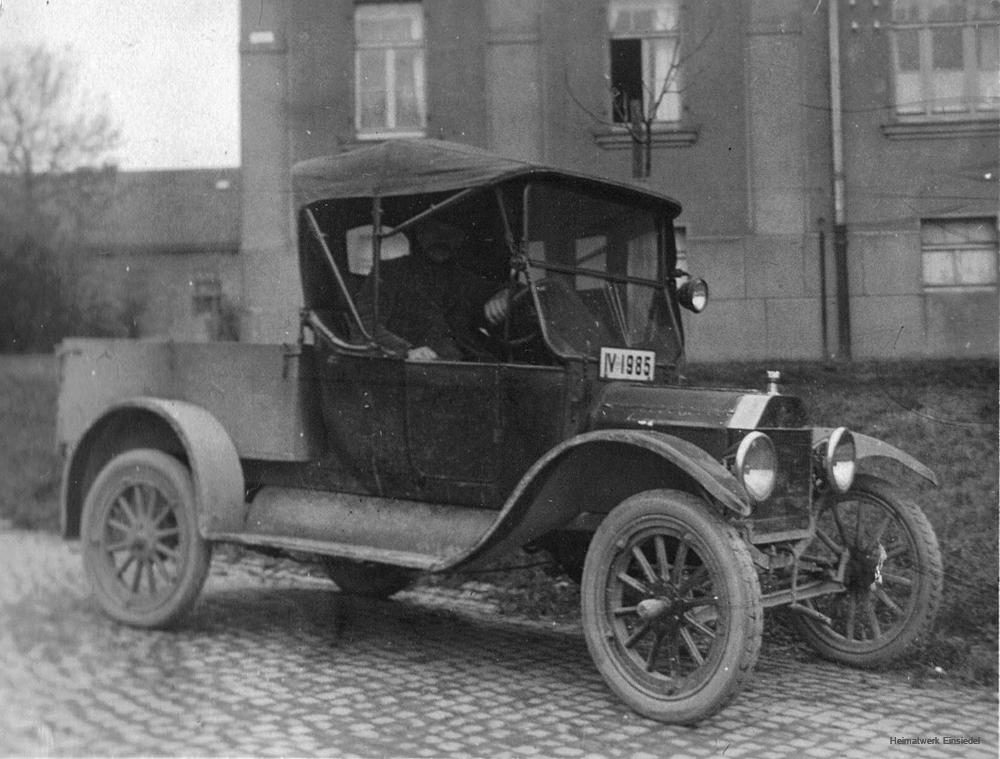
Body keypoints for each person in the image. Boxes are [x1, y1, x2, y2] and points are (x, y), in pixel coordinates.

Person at [354, 219, 511, 361]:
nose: (441, 239)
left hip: (468, 368)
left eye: (451, 232)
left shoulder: (464, 280)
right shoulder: (389, 273)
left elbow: (498, 292)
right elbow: (365, 329)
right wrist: (407, 351)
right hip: (416, 374)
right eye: (434, 230)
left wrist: (504, 294)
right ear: (419, 231)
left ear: (461, 237)